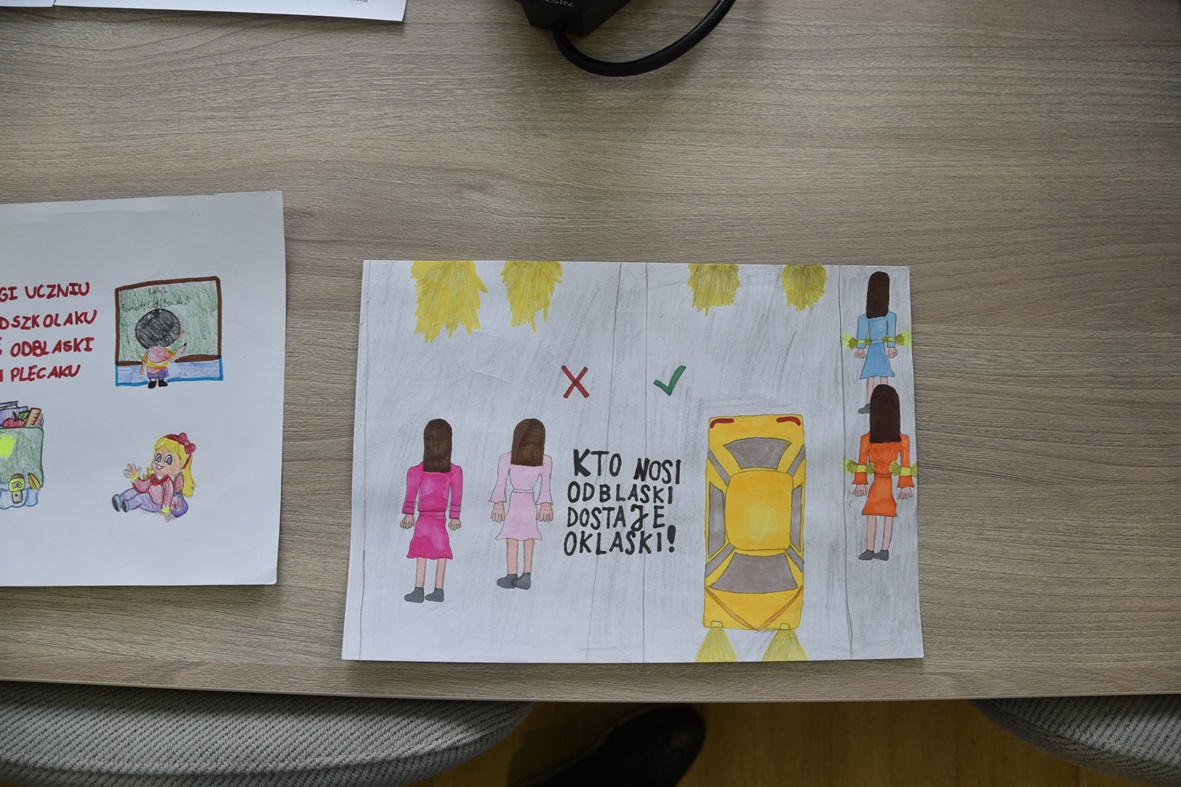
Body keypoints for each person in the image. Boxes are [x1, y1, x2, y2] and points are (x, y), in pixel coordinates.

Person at [400, 419, 462, 603]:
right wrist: (454, 517)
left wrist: (409, 514)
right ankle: (437, 589)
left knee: (423, 551)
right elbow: (456, 496)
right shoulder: (454, 471)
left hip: (427, 518)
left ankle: (420, 589)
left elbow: (411, 493)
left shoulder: (417, 471)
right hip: (435, 518)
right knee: (439, 551)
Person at [852, 385, 914, 560]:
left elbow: (905, 463)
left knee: (887, 513)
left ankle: (884, 550)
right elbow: (861, 461)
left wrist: (905, 485)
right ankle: (871, 549)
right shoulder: (867, 439)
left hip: (887, 482)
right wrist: (860, 482)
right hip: (877, 482)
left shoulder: (902, 440)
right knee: (873, 512)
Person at [490, 418, 553, 590]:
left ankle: (515, 575)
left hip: (518, 500)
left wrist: (498, 504)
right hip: (526, 502)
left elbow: (501, 483)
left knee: (514, 537)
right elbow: (545, 486)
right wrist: (545, 504)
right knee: (526, 537)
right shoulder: (544, 460)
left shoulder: (508, 458)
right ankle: (523, 575)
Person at [113, 433, 196, 521]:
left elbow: (168, 496)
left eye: (168, 460)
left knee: (142, 497)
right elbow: (143, 487)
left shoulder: (168, 482)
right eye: (158, 457)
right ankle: (120, 499)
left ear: (180, 466)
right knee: (135, 491)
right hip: (150, 495)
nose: (159, 462)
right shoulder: (154, 477)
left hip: (156, 504)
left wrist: (165, 509)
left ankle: (128, 505)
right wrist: (135, 477)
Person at [853, 271, 900, 414]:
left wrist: (891, 347)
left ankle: (884, 402)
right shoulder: (865, 318)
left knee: (882, 375)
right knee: (871, 376)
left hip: (880, 348)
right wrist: (861, 348)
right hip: (873, 349)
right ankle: (869, 403)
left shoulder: (890, 316)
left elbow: (890, 332)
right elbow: (862, 330)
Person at [135, 308, 186, 389]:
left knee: (158, 375)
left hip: (155, 370)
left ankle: (157, 381)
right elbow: (172, 358)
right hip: (157, 369)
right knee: (157, 375)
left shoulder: (152, 351)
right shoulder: (165, 351)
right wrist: (179, 351)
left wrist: (142, 370)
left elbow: (144, 361)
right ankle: (155, 381)